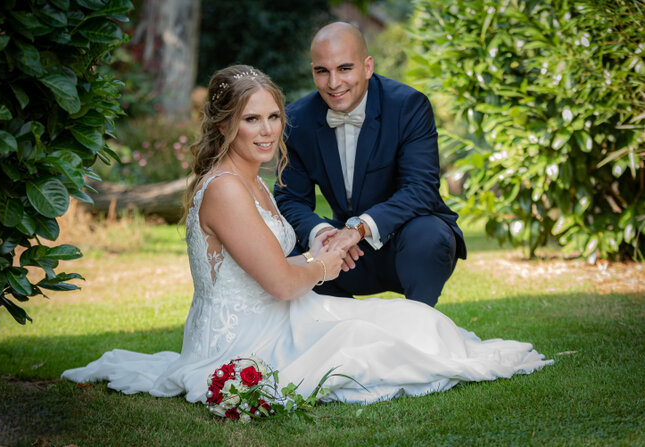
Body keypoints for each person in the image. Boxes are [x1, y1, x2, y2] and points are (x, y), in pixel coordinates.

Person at [61, 65, 551, 405]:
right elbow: (279, 283)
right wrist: (325, 264)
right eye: (251, 119)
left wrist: (317, 249)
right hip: (245, 340)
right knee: (373, 343)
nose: (267, 131)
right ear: (225, 124)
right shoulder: (227, 189)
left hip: (279, 314)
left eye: (274, 117)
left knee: (410, 321)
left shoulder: (253, 181)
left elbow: (269, 267)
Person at [274, 22, 466, 307]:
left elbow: (421, 189)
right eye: (322, 71)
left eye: (344, 68)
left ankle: (419, 323)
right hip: (349, 257)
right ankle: (340, 325)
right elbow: (290, 199)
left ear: (367, 67)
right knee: (286, 245)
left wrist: (358, 229)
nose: (333, 83)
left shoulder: (408, 106)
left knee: (430, 234)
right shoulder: (297, 119)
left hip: (410, 244)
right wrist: (324, 234)